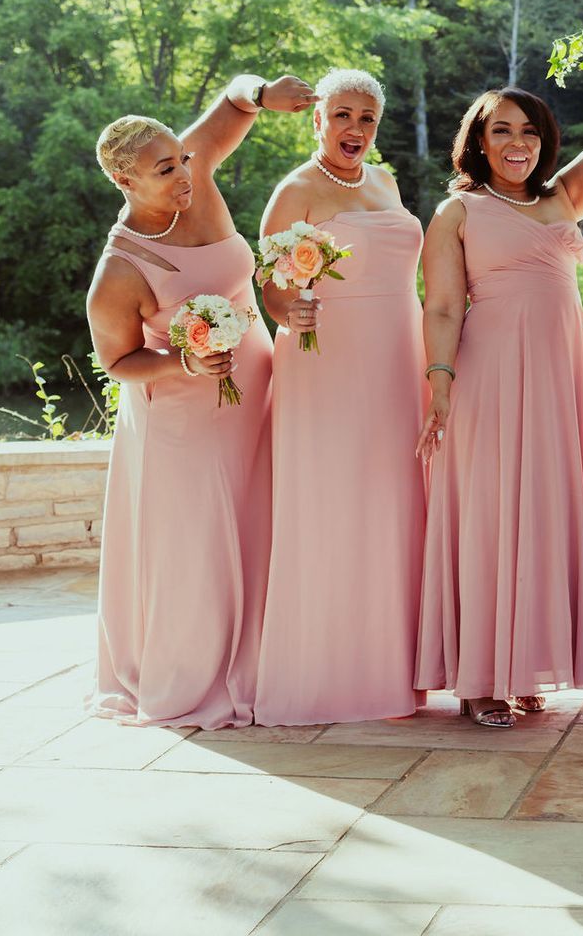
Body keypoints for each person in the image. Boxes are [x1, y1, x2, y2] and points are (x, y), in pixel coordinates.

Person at [415, 13, 583, 729]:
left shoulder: (562, 197)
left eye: (529, 131)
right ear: (477, 141)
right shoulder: (457, 211)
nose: (517, 144)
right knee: (494, 512)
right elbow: (441, 306)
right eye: (500, 131)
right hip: (491, 373)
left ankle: (525, 664)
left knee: (552, 511)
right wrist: (438, 381)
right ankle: (479, 680)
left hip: (564, 371)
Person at [86, 73, 315, 728]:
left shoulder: (195, 179)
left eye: (183, 158)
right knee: (197, 550)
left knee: (262, 529)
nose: (184, 172)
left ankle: (270, 658)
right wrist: (184, 359)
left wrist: (264, 90)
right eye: (167, 169)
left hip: (260, 401)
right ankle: (189, 674)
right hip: (183, 424)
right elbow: (120, 362)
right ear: (128, 181)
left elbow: (235, 102)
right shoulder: (120, 273)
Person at [252, 69, 427, 726]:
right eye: (343, 116)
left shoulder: (384, 181)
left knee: (392, 498)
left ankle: (391, 668)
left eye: (367, 119)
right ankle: (326, 670)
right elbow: (268, 280)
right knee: (332, 498)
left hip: (396, 356)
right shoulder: (294, 189)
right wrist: (287, 307)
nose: (355, 130)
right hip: (326, 360)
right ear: (318, 118)